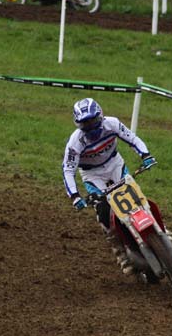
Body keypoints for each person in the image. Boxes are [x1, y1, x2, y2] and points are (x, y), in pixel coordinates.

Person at [62, 98, 157, 274]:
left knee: (138, 200)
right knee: (104, 212)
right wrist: (75, 197)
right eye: (85, 123)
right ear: (78, 124)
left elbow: (132, 139)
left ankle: (162, 232)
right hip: (93, 175)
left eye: (93, 120)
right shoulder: (75, 142)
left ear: (100, 116)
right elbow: (68, 170)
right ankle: (121, 252)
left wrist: (146, 155)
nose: (90, 126)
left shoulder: (112, 124)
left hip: (116, 165)